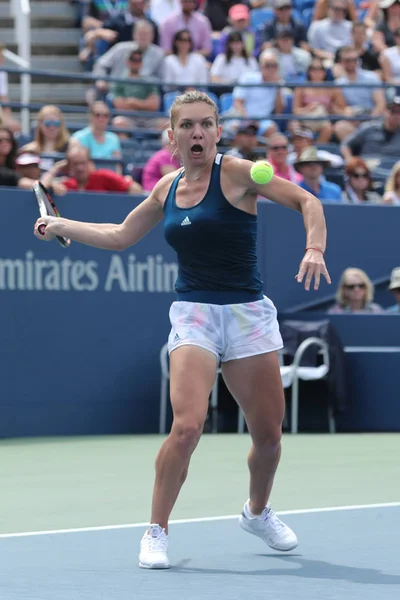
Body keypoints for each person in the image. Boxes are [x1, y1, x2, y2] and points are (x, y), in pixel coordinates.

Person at [34, 90, 331, 570]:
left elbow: (307, 201)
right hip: (194, 312)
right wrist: (60, 222)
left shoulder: (239, 172)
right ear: (172, 137)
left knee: (269, 437)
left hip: (248, 314)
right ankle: (156, 529)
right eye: (188, 125)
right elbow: (121, 235)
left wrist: (314, 248)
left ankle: (256, 512)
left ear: (217, 131)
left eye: (206, 124)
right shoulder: (164, 188)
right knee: (188, 425)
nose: (198, 133)